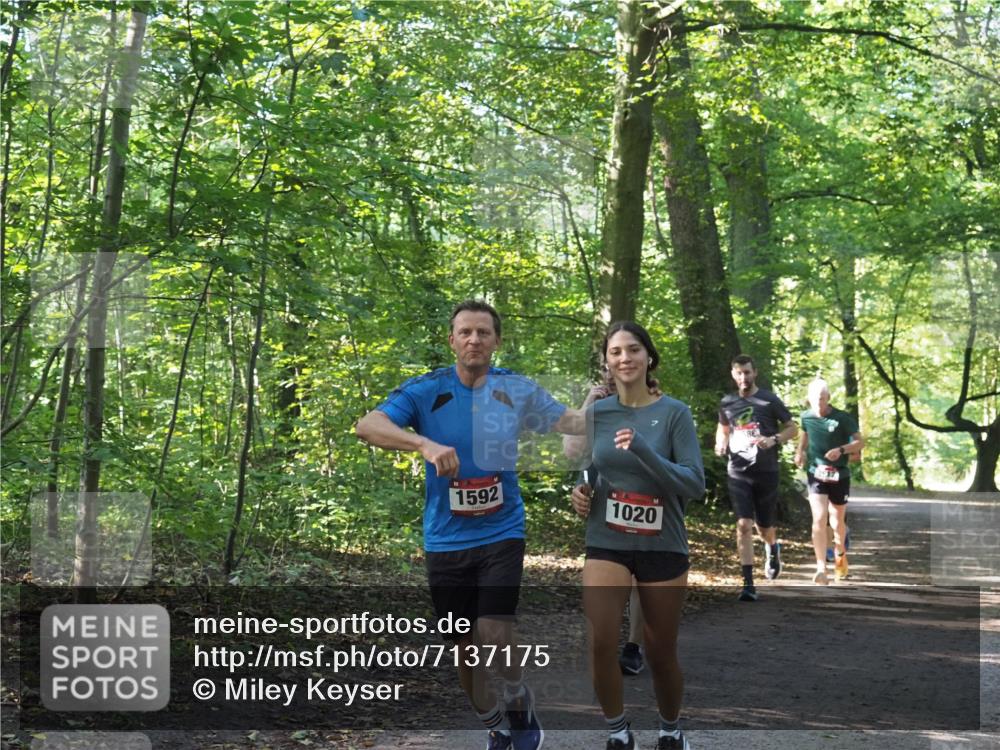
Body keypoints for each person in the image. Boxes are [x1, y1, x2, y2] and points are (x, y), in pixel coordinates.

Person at [355, 300, 585, 750]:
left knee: (495, 628)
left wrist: (609, 399)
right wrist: (423, 444)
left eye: (483, 332)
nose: (474, 339)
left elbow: (571, 422)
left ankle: (517, 698)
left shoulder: (515, 388)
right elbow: (367, 425)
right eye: (465, 332)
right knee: (463, 646)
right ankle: (495, 724)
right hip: (446, 538)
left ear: (497, 341)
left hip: (502, 530)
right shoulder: (427, 390)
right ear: (452, 340)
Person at [566, 321, 704, 750]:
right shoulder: (600, 412)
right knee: (600, 641)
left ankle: (670, 730)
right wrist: (581, 491)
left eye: (633, 349)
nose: (624, 358)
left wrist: (644, 449)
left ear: (649, 357)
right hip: (606, 539)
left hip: (662, 544)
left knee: (660, 652)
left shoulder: (675, 413)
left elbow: (694, 483)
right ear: (607, 362)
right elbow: (583, 463)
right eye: (615, 352)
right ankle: (618, 733)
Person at [714, 355, 798, 602]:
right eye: (739, 373)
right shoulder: (727, 402)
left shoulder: (769, 400)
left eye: (747, 372)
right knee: (743, 525)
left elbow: (792, 428)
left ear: (755, 373)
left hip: (766, 471)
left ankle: (772, 546)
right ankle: (748, 583)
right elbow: (724, 429)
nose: (744, 377)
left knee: (764, 527)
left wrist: (773, 440)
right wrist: (721, 443)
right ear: (733, 374)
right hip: (738, 471)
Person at [795, 378, 865, 584]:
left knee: (836, 521)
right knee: (818, 518)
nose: (819, 403)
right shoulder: (806, 417)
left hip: (839, 474)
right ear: (809, 399)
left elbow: (860, 442)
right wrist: (800, 452)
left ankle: (840, 553)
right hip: (816, 473)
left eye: (822, 399)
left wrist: (841, 450)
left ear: (828, 398)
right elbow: (804, 437)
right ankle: (821, 568)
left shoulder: (842, 418)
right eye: (815, 399)